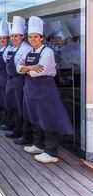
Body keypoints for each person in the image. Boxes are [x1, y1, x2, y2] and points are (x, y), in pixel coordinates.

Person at [18, 16, 73, 163]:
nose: (33, 39)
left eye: (36, 37)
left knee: (48, 119)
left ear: (41, 38)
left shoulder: (47, 52)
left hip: (45, 90)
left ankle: (51, 152)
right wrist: (29, 68)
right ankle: (38, 145)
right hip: (31, 89)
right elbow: (18, 68)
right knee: (35, 117)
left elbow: (38, 72)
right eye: (30, 37)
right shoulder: (28, 52)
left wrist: (26, 69)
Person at [2, 16, 33, 146]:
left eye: (17, 36)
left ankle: (24, 134)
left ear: (22, 37)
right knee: (13, 105)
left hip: (20, 81)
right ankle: (15, 128)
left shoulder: (26, 49)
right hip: (11, 80)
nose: (14, 38)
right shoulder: (13, 49)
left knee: (21, 107)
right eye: (12, 36)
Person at [0, 21, 12, 125]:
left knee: (5, 100)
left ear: (8, 39)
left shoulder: (9, 50)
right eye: (0, 38)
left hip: (5, 78)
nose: (2, 40)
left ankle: (5, 120)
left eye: (4, 38)